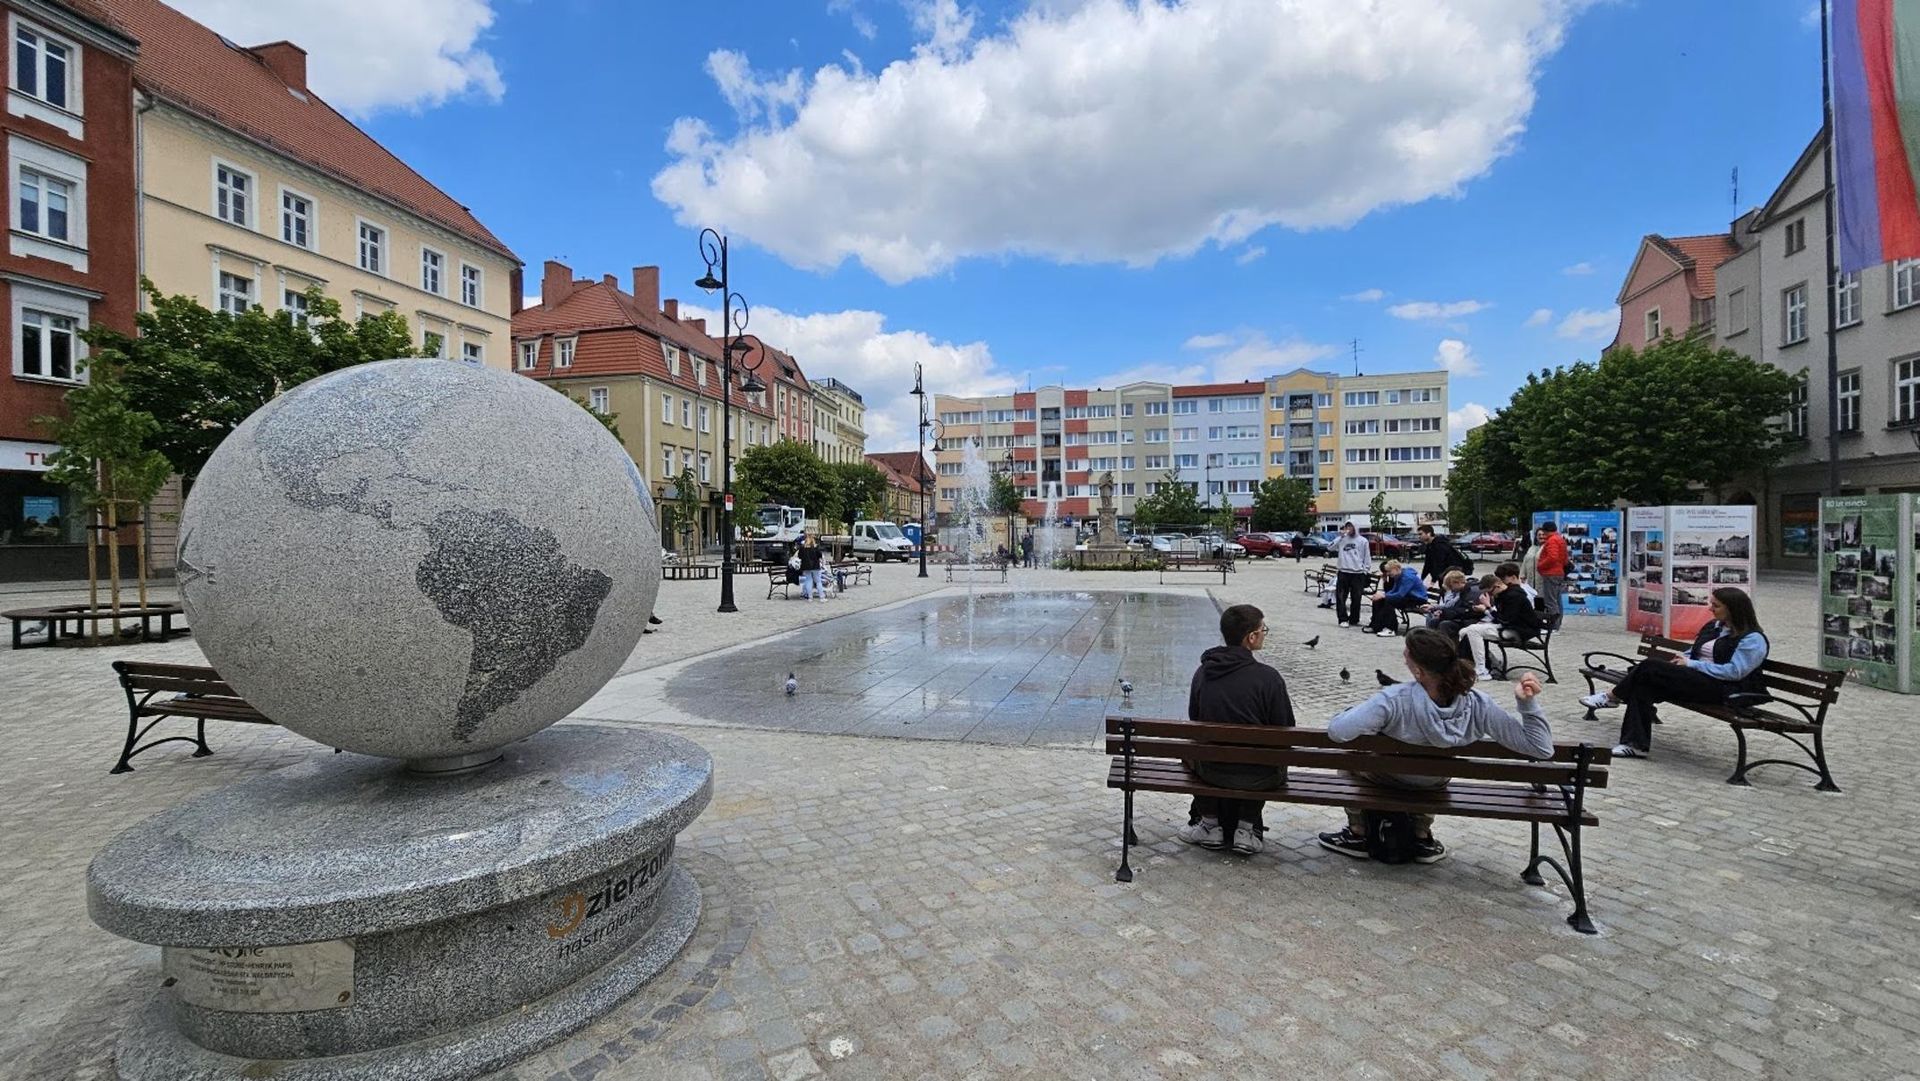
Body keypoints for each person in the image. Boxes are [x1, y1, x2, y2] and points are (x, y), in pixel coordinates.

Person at [1318, 628, 1553, 863]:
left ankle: (1357, 832)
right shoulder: (1478, 704)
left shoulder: (1394, 700)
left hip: (1386, 776)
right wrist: (1528, 704)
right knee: (1436, 767)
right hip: (1434, 782)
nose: (1403, 657)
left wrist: (1351, 713)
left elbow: (1338, 732)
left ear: (1419, 672)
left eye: (1406, 655)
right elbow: (1541, 748)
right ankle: (1421, 835)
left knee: (1349, 759)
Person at [1582, 587, 1768, 759]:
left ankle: (1612, 696)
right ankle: (1635, 745)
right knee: (1644, 684)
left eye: (1716, 605)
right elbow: (1697, 650)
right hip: (1696, 681)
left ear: (1733, 609)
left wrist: (1691, 664)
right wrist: (1683, 660)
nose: (1710, 608)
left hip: (1724, 689)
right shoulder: (1714, 627)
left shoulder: (1752, 639)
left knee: (1649, 667)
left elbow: (1734, 672)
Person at [1180, 604, 1296, 856]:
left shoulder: (1204, 672)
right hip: (1260, 777)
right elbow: (1286, 730)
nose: (1264, 633)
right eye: (1262, 629)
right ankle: (1246, 828)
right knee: (1270, 754)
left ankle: (1210, 823)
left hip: (1211, 771)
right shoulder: (1269, 678)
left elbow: (1195, 717)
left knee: (1191, 748)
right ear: (1251, 637)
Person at [1458, 562, 1544, 680]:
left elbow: (1505, 619)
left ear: (1497, 585)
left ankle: (1481, 670)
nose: (1489, 595)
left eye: (1489, 592)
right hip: (1511, 627)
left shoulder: (1513, 596)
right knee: (1466, 630)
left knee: (1473, 630)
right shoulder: (1505, 594)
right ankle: (1486, 666)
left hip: (1519, 631)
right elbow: (1502, 618)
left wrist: (1488, 607)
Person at [1366, 559, 1429, 637]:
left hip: (1417, 599)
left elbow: (1400, 594)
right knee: (1379, 600)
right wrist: (1382, 595)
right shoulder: (1398, 575)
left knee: (1389, 600)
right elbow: (1394, 590)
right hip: (1408, 596)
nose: (1388, 574)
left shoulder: (1408, 577)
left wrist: (1385, 595)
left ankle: (1390, 629)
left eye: (1389, 571)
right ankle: (1376, 625)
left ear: (1396, 569)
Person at [1332, 523, 1371, 628]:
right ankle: (1342, 619)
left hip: (1357, 573)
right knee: (1340, 597)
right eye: (1347, 527)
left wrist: (1365, 570)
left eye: (1351, 526)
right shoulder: (1342, 540)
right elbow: (1330, 547)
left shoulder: (1363, 541)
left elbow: (1366, 556)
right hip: (1343, 571)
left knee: (1356, 598)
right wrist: (1340, 537)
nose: (1349, 529)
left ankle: (1354, 618)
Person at [1422, 569, 1482, 639]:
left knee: (1443, 624)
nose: (1451, 590)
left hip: (1467, 619)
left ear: (1457, 583)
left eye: (1451, 587)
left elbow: (1455, 607)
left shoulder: (1466, 593)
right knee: (1433, 619)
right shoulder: (1459, 591)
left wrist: (1443, 613)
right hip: (1459, 616)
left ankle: (1444, 645)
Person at [1534, 522, 1569, 626]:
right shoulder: (1560, 539)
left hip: (1550, 574)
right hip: (1558, 573)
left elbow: (1552, 557)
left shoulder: (1552, 540)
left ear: (1545, 530)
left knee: (1550, 601)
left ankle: (1554, 626)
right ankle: (1557, 624)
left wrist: (1540, 566)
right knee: (1557, 600)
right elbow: (1565, 559)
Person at [797, 533, 827, 601]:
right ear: (813, 540)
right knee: (818, 581)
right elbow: (820, 555)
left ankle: (810, 597)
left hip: (806, 566)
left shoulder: (802, 547)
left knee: (808, 581)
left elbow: (799, 556)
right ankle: (822, 597)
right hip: (815, 566)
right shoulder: (815, 547)